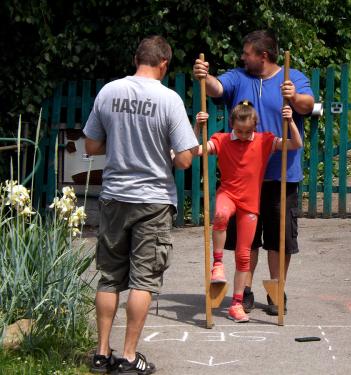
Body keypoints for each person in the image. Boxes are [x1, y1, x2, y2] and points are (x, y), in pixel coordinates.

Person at [84, 35, 199, 375]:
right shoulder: (169, 100)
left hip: (115, 197)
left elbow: (91, 145)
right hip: (152, 200)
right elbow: (183, 161)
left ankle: (102, 353)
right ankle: (130, 356)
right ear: (164, 63)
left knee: (108, 277)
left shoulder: (109, 92)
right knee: (143, 280)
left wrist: (120, 145)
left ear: (137, 58)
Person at [193, 30, 314, 315]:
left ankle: (276, 289)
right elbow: (216, 89)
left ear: (263, 56)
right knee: (247, 238)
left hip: (280, 174)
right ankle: (244, 290)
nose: (242, 57)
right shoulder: (239, 77)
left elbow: (307, 106)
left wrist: (293, 96)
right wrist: (204, 75)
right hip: (243, 179)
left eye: (247, 53)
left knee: (279, 238)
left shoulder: (291, 76)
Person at [194, 100, 302, 322]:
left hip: (250, 203)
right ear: (231, 123)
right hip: (229, 195)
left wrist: (290, 121)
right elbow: (196, 150)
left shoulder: (265, 141)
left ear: (256, 126)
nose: (243, 135)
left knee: (244, 256)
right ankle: (217, 264)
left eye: (248, 131)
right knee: (221, 215)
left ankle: (236, 304)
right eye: (239, 130)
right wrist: (197, 127)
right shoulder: (222, 140)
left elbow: (295, 144)